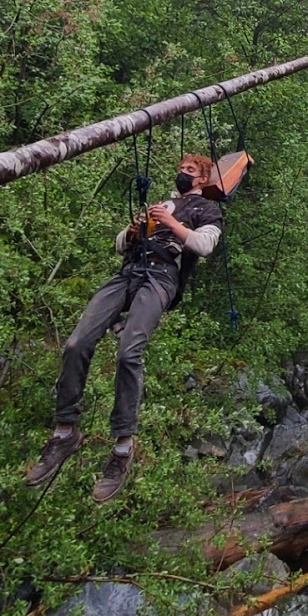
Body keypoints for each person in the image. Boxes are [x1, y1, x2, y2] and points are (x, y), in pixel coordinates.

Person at [25, 153, 222, 503]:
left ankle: (121, 449)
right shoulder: (161, 204)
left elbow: (204, 246)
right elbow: (120, 244)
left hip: (161, 277)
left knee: (129, 350)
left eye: (189, 170)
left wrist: (170, 222)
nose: (182, 174)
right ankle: (64, 431)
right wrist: (131, 231)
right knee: (76, 343)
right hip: (129, 272)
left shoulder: (205, 210)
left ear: (203, 178)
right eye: (180, 169)